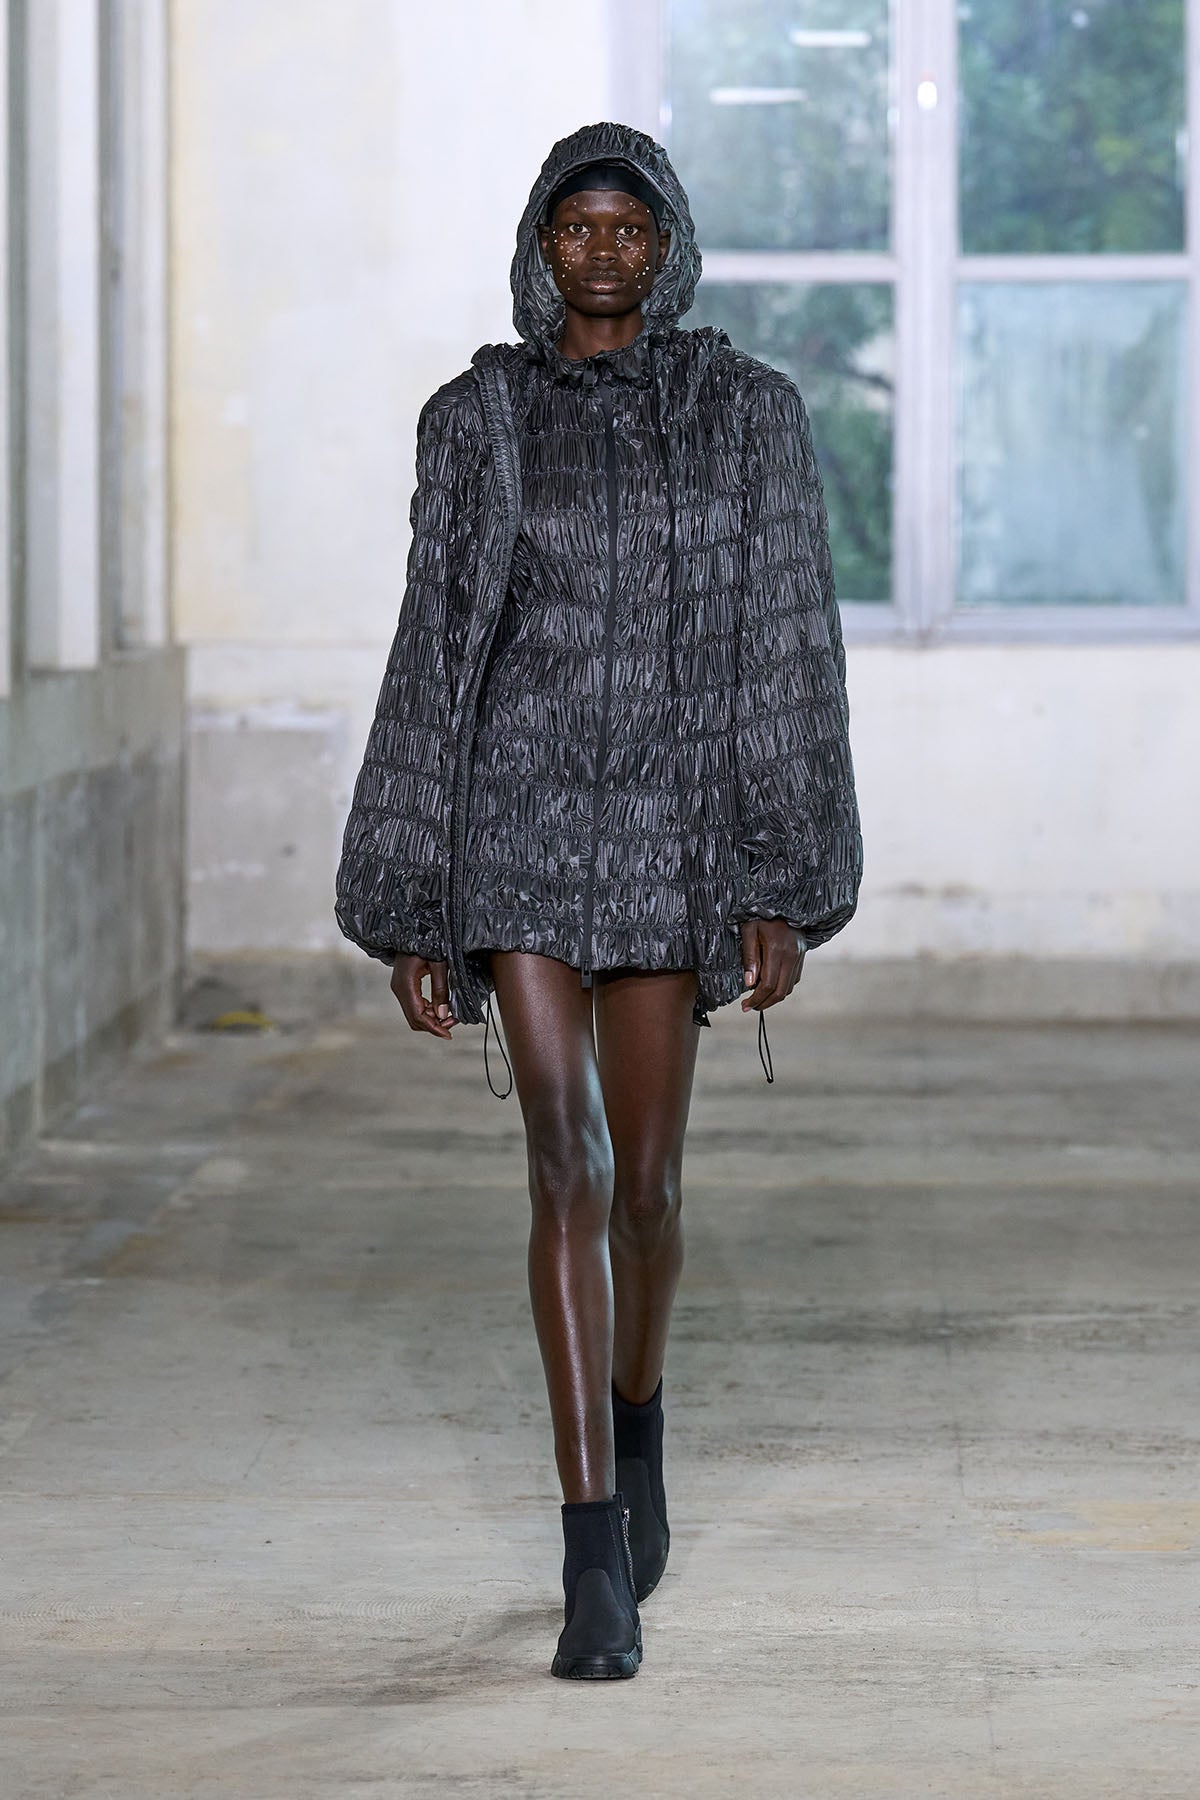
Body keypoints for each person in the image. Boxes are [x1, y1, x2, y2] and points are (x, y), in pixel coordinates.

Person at [335, 121, 862, 1681]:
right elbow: (434, 648)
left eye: (633, 225)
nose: (607, 250)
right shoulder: (478, 420)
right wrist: (415, 899)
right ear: (541, 245)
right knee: (561, 1167)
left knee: (647, 1191)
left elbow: (786, 646)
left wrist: (777, 875)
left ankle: (639, 1426)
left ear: (669, 243)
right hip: (517, 820)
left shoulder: (748, 417)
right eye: (581, 226)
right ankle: (588, 1561)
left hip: (677, 829)